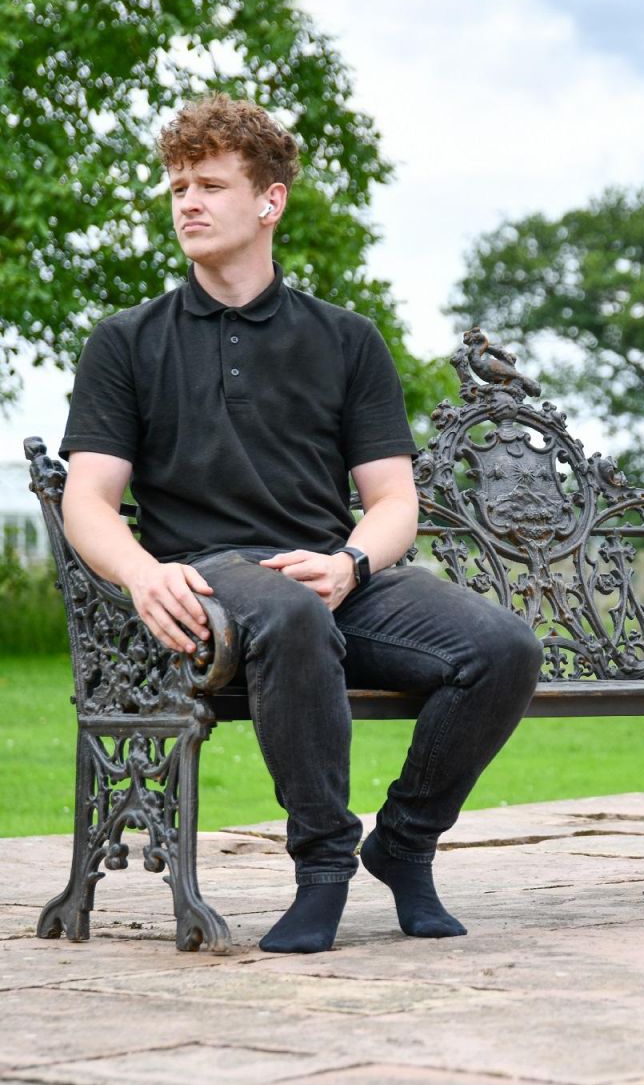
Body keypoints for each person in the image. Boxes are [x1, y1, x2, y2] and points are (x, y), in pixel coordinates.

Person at [59, 94, 543, 954]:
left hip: (330, 575)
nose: (187, 203)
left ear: (269, 202)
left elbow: (395, 500)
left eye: (209, 184)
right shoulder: (126, 342)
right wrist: (143, 573)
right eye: (176, 186)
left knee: (502, 646)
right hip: (207, 586)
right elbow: (87, 500)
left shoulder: (347, 340)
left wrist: (352, 563)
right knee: (287, 611)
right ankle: (323, 867)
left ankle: (405, 843)